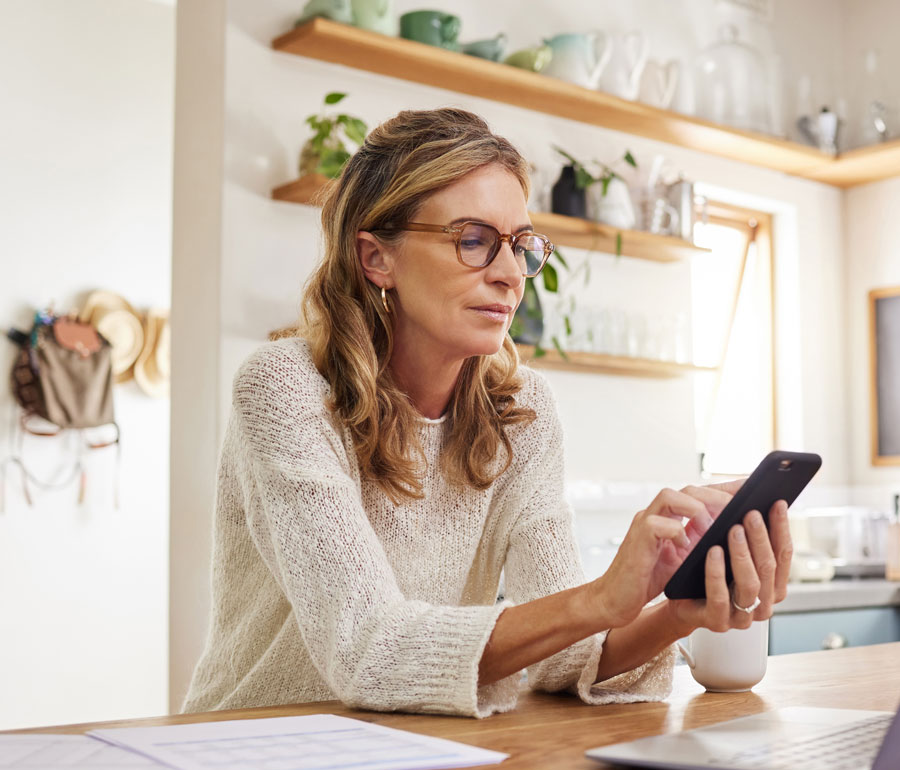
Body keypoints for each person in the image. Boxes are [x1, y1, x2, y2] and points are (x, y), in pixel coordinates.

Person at [182, 108, 791, 718]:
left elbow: (560, 657)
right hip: (248, 753)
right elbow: (370, 650)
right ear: (376, 258)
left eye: (521, 245)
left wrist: (674, 612)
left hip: (405, 757)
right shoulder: (286, 389)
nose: (508, 274)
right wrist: (603, 597)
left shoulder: (521, 410)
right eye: (473, 241)